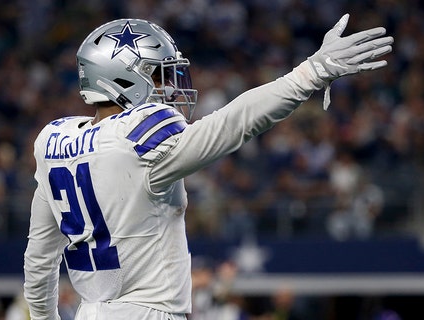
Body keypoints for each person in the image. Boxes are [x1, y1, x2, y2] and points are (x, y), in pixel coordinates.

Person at [23, 15, 393, 320]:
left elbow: (40, 259)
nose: (168, 88)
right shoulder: (137, 138)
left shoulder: (56, 142)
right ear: (122, 77)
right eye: (157, 75)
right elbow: (232, 125)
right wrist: (309, 74)